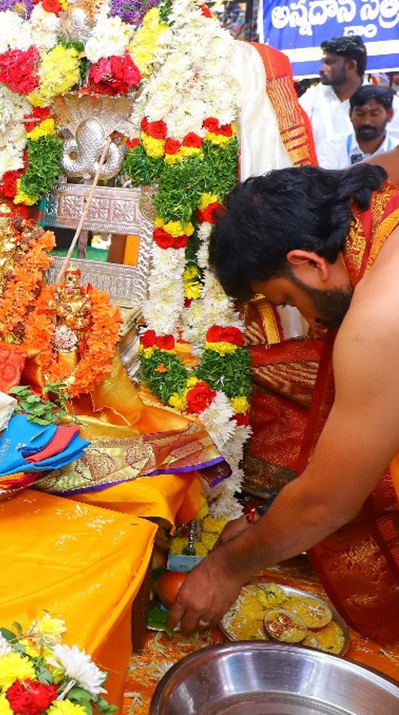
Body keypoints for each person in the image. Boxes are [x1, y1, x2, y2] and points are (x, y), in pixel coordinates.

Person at [169, 163, 399, 642]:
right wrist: (266, 521)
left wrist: (226, 567)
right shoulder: (382, 212)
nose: (309, 320)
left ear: (310, 263)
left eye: (289, 302)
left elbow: (327, 503)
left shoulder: (379, 315)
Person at [299, 35, 367, 152]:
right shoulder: (312, 98)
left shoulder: (384, 104)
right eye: (323, 62)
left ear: (351, 66)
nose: (321, 69)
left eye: (329, 63)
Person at [316, 83, 396, 169]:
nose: (367, 122)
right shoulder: (331, 147)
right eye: (360, 114)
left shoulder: (396, 150)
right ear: (350, 114)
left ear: (389, 114)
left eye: (374, 114)